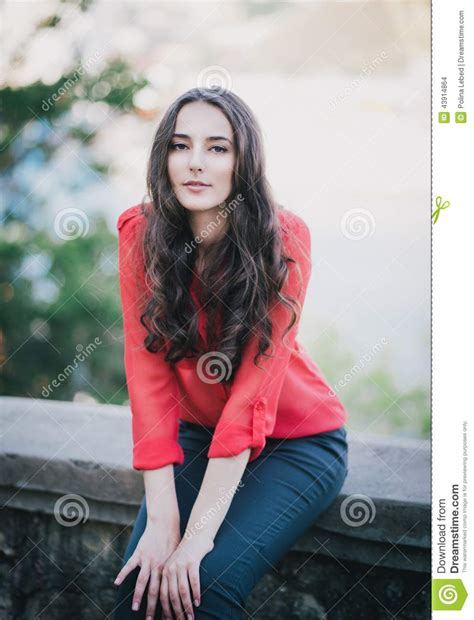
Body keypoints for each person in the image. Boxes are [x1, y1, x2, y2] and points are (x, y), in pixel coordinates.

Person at [112, 86, 349, 620]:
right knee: (141, 592)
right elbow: (146, 374)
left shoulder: (284, 238)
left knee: (203, 588)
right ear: (163, 156)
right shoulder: (140, 233)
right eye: (180, 145)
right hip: (196, 435)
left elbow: (251, 395)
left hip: (296, 442)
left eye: (218, 148)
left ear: (245, 161)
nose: (196, 163)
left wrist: (196, 539)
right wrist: (164, 521)